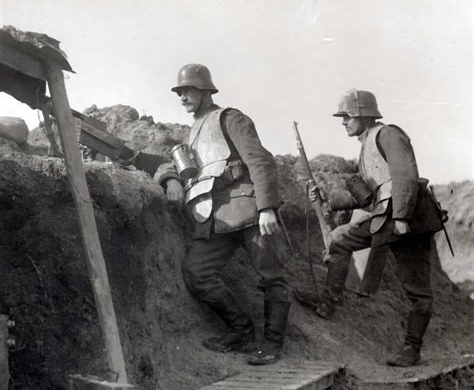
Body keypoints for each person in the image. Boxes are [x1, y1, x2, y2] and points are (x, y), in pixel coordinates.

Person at [155, 64, 291, 365]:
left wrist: (267, 207)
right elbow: (173, 164)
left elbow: (260, 160)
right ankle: (241, 331)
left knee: (271, 276)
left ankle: (272, 345)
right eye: (179, 92)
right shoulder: (193, 132)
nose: (182, 97)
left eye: (188, 90)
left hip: (249, 210)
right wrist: (171, 179)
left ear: (205, 90)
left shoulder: (230, 118)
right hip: (214, 217)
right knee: (197, 272)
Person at [311, 88, 443, 367]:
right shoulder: (367, 143)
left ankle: (412, 349)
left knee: (418, 290)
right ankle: (329, 301)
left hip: (410, 222)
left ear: (362, 114)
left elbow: (406, 176)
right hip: (388, 218)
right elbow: (370, 195)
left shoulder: (388, 135)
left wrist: (403, 217)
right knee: (340, 241)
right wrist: (328, 201)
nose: (343, 122)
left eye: (347, 116)